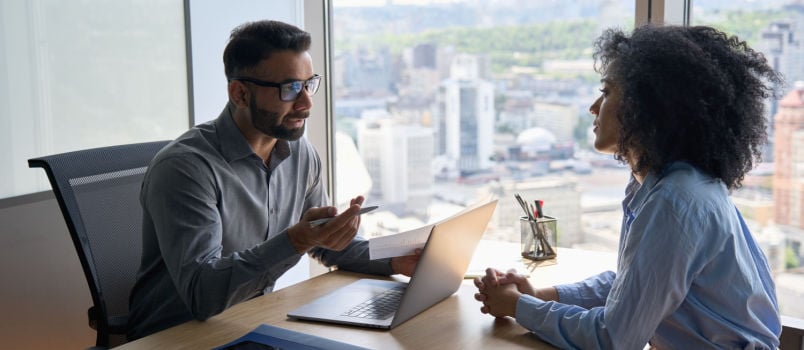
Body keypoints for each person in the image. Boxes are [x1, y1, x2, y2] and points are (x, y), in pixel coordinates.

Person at [474, 24, 783, 349]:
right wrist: (541, 295)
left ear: (648, 106)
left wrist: (519, 307)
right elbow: (634, 286)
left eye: (606, 92)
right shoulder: (660, 184)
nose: (594, 107)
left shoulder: (675, 201)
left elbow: (613, 337)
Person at [127, 20, 418, 340]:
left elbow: (328, 244)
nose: (306, 103)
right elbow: (202, 295)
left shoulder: (299, 153)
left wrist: (394, 259)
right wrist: (296, 240)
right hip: (177, 338)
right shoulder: (186, 169)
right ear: (240, 93)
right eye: (290, 88)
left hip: (250, 323)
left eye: (309, 84)